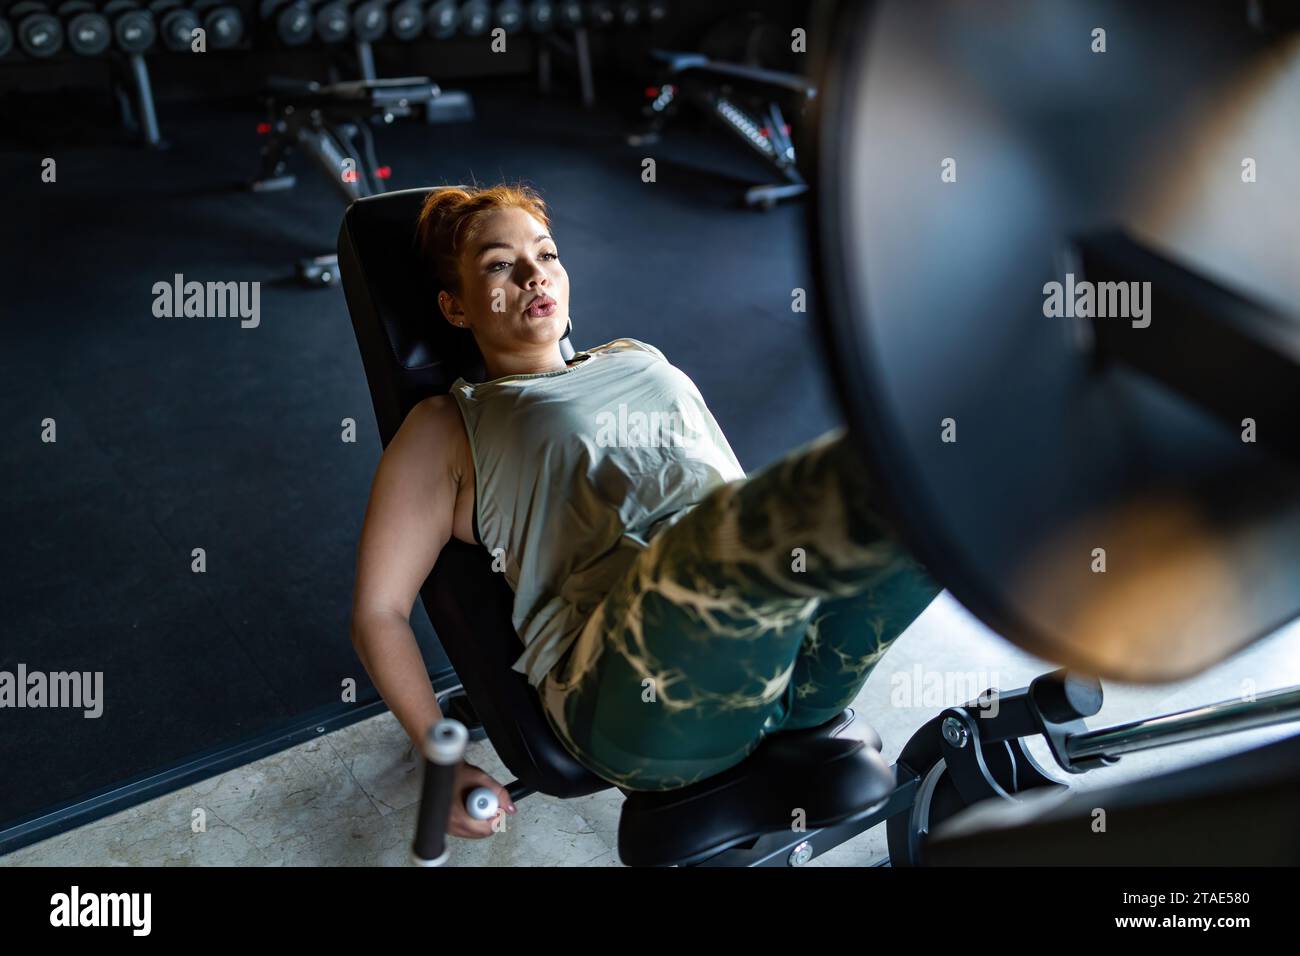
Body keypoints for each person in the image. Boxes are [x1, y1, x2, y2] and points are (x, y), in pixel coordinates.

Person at [349, 183, 942, 839]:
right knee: (747, 523)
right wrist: (441, 759)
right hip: (631, 696)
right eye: (498, 264)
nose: (533, 275)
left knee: (924, 480)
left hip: (786, 669)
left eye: (545, 255)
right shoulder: (446, 424)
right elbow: (379, 612)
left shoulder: (636, 358)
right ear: (455, 308)